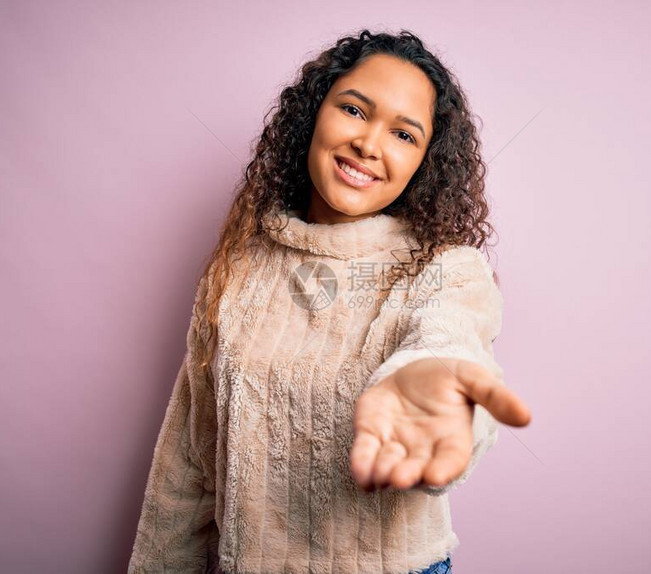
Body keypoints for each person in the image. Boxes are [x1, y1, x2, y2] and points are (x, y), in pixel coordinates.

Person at [127, 29, 532, 574]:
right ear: (314, 115)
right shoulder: (238, 265)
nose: (369, 144)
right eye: (354, 110)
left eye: (405, 135)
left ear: (426, 164)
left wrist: (436, 407)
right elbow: (190, 461)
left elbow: (450, 346)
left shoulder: (447, 269)